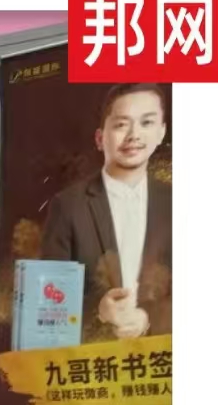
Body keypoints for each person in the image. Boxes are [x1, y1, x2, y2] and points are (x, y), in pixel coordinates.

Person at [41, 82, 172, 340]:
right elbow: (48, 295)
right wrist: (98, 311)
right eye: (122, 124)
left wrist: (148, 318)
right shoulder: (68, 206)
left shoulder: (178, 202)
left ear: (161, 132)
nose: (134, 135)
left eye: (146, 123)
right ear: (100, 138)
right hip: (93, 353)